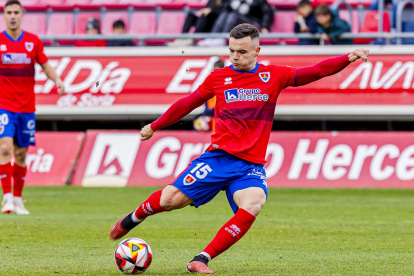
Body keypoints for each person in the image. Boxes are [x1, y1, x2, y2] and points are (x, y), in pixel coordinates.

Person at [110, 23, 368, 274]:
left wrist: (348, 57)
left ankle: (201, 259)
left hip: (250, 165)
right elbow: (187, 103)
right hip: (219, 158)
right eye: (231, 50)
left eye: (241, 51)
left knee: (254, 203)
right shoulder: (218, 77)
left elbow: (315, 71)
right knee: (170, 200)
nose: (234, 56)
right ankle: (133, 217)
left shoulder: (273, 76)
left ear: (257, 51)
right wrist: (155, 125)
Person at [0, 0, 65, 214]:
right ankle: (7, 198)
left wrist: (57, 80)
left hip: (27, 107)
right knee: (5, 148)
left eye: (15, 12)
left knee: (21, 154)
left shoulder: (32, 41)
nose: (12, 16)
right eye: (8, 12)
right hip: (4, 106)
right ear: (4, 15)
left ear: (21, 14)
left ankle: (18, 199)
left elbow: (45, 65)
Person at [199, 0, 273, 46]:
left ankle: (222, 39)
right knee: (224, 13)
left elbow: (267, 11)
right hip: (239, 21)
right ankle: (212, 37)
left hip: (253, 23)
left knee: (233, 16)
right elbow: (226, 8)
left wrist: (265, 26)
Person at [193, 59, 225, 132]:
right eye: (214, 71)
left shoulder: (226, 86)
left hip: (221, 124)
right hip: (213, 124)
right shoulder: (209, 85)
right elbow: (206, 108)